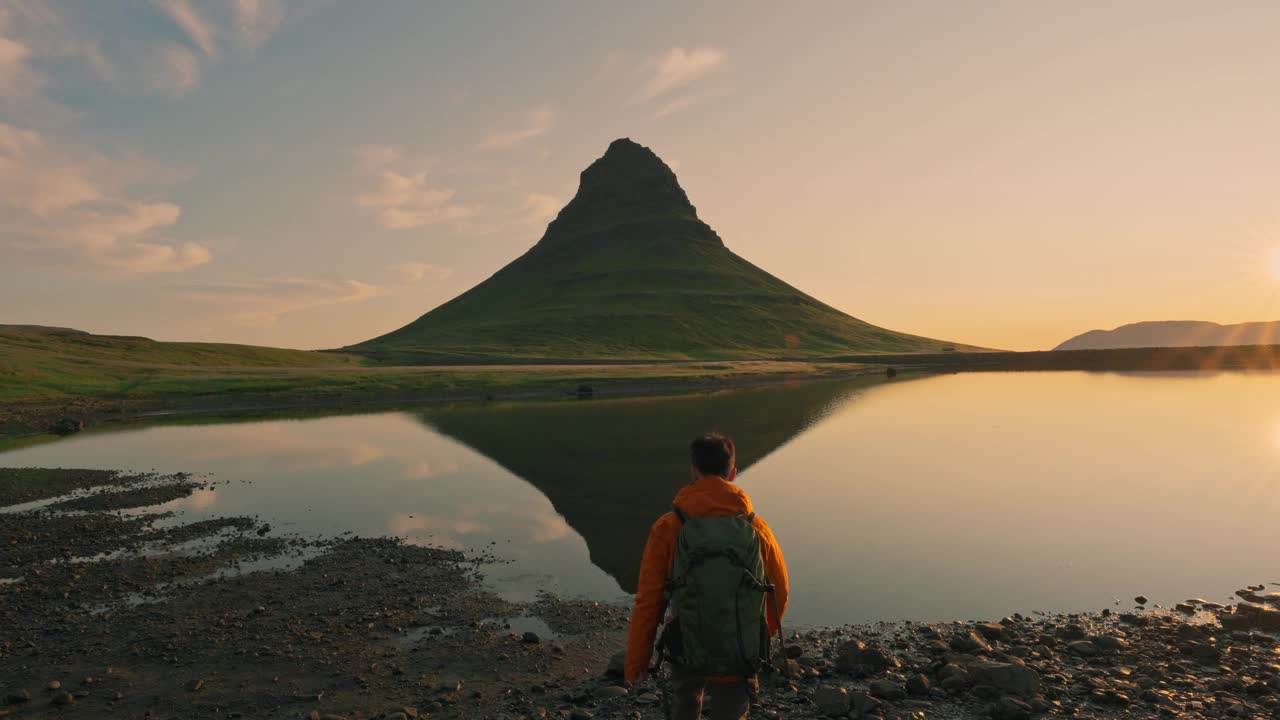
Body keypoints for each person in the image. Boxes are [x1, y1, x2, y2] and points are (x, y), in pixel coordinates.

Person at [625, 432, 789, 720]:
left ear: (694, 471)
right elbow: (780, 591)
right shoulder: (756, 528)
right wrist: (756, 637)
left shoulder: (669, 526)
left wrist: (636, 662)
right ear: (733, 473)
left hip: (687, 645)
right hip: (739, 648)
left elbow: (649, 601)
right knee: (732, 712)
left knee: (685, 706)